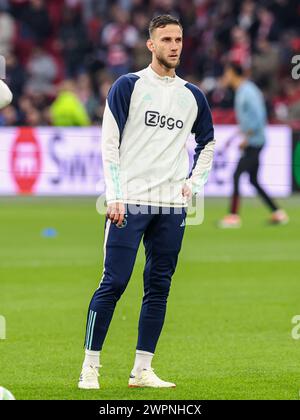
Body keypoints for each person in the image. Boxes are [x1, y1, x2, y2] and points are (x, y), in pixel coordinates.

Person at [78, 14, 215, 390]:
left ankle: (142, 370)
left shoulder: (193, 96)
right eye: (166, 39)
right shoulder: (129, 85)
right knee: (114, 282)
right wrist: (116, 194)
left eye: (179, 39)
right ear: (150, 44)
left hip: (171, 206)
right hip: (130, 202)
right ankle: (90, 366)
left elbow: (207, 143)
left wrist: (194, 184)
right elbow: (109, 144)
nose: (174, 46)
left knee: (159, 287)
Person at [219, 62, 288, 228]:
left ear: (234, 74)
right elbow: (249, 119)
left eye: (227, 73)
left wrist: (246, 138)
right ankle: (278, 213)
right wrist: (236, 136)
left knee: (237, 175)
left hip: (255, 142)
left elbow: (258, 118)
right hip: (254, 140)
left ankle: (233, 216)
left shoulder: (247, 92)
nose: (225, 77)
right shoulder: (243, 91)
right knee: (253, 180)